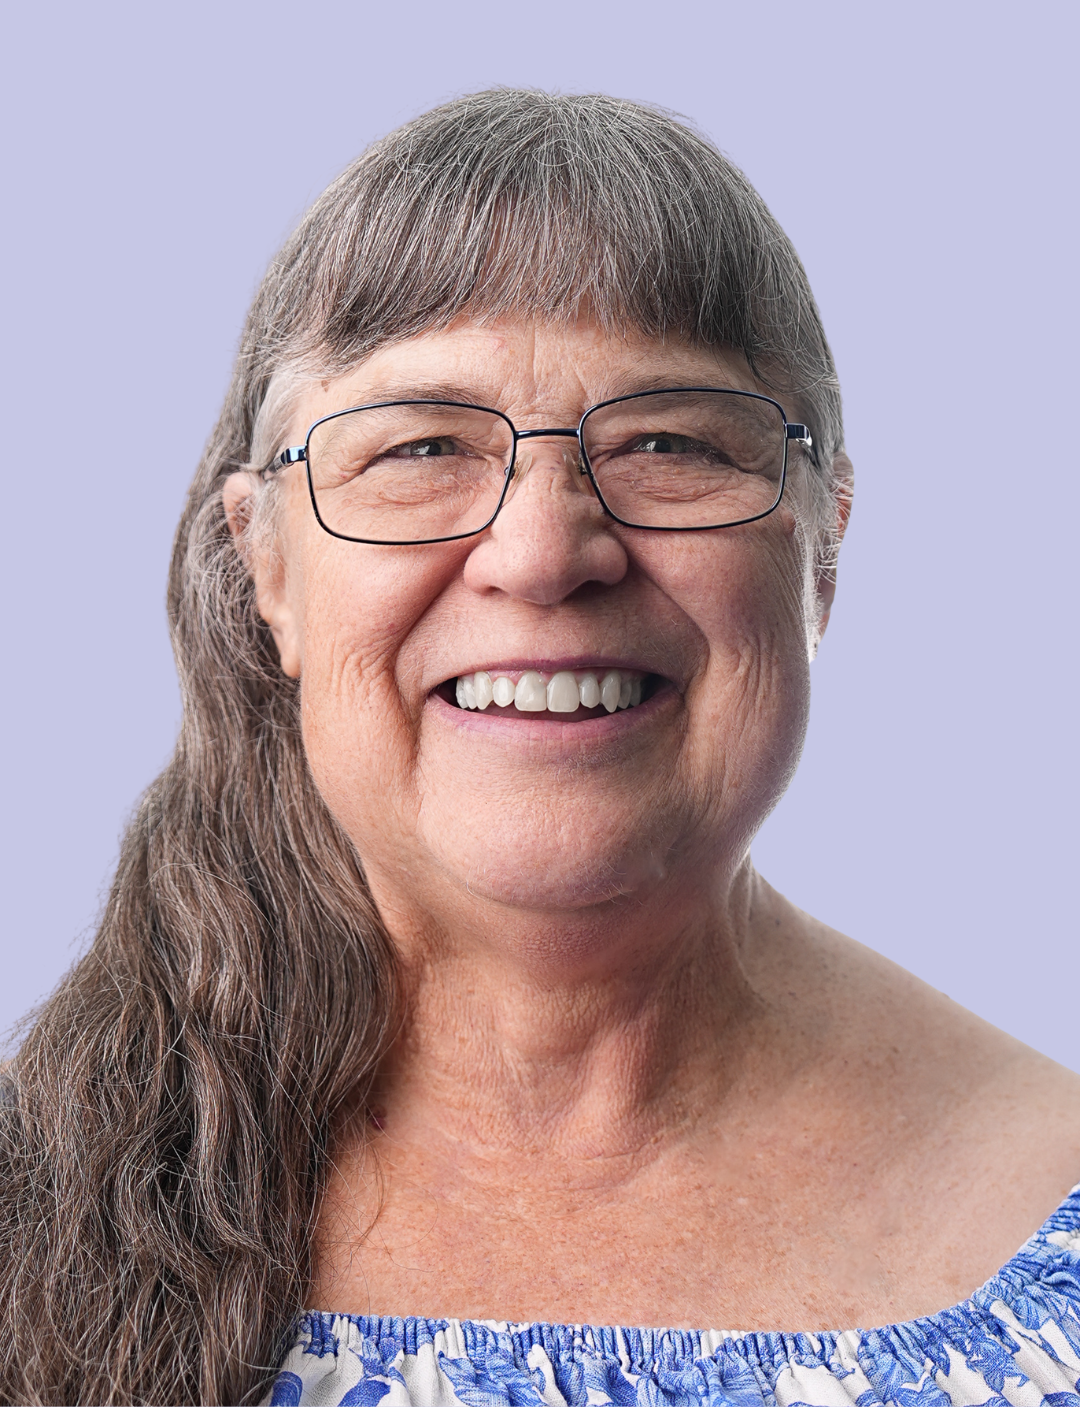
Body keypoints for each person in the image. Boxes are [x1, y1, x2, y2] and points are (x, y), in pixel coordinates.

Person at [2, 89, 1078, 1407]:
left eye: (670, 441)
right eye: (420, 447)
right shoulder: (31, 1204)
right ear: (267, 564)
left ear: (824, 545)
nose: (543, 552)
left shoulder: (1052, 1202)